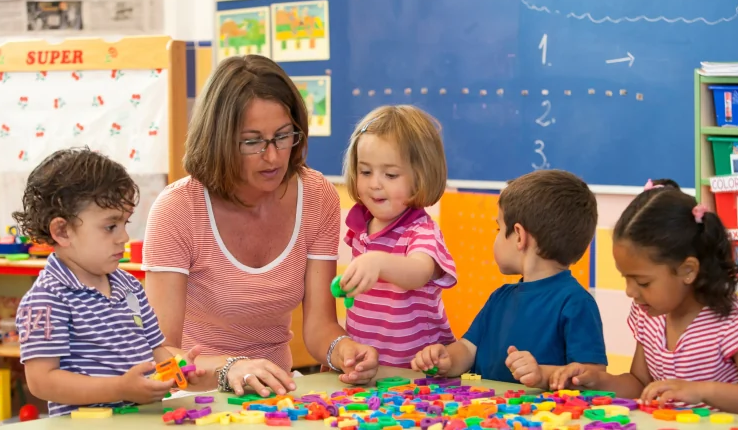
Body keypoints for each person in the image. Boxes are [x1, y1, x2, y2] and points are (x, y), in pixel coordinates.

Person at [142, 55, 379, 397]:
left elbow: (318, 327)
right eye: (253, 141)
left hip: (280, 394)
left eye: (284, 136)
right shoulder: (178, 208)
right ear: (219, 140)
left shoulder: (316, 196)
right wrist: (229, 368)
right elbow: (160, 355)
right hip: (197, 398)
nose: (274, 156)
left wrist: (343, 350)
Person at [551, 179, 738, 419]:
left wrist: (701, 391)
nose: (630, 291)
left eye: (642, 282)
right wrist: (598, 381)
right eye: (625, 278)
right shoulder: (648, 314)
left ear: (687, 270)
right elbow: (640, 383)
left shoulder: (731, 319)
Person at [14, 148, 202, 417]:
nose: (123, 237)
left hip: (142, 419)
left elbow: (156, 348)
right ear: (62, 231)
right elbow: (42, 381)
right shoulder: (47, 299)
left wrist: (180, 367)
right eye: (110, 226)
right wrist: (120, 388)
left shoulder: (129, 286)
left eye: (125, 223)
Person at [412, 170, 607, 387]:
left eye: (498, 227)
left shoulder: (577, 303)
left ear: (519, 236)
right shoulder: (500, 298)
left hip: (540, 419)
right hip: (484, 416)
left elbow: (592, 376)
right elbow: (468, 349)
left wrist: (542, 373)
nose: (496, 235)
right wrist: (446, 358)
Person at [339, 105, 457, 367]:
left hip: (418, 370)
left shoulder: (421, 231)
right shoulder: (360, 227)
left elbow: (418, 272)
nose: (374, 184)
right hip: (372, 367)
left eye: (390, 174)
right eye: (365, 171)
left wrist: (378, 262)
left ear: (420, 178)